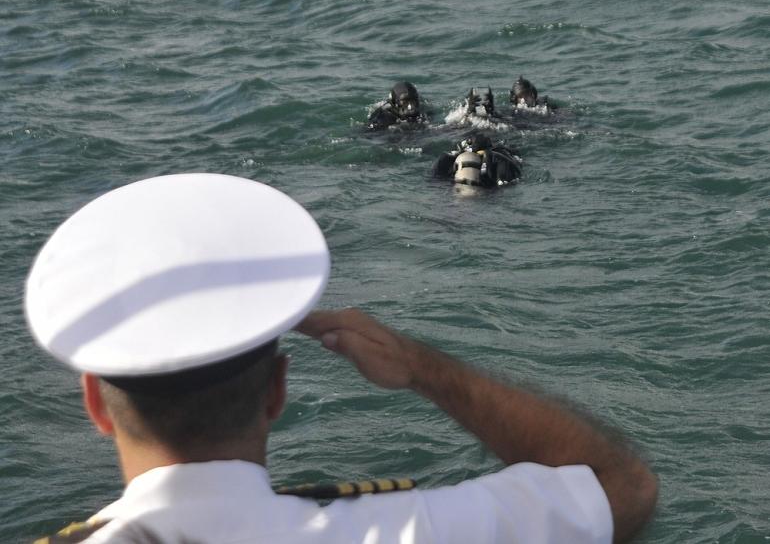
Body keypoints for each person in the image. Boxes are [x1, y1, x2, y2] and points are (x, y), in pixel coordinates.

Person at [27, 173, 657, 543]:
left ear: (95, 404)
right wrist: (423, 368)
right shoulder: (403, 530)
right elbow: (621, 486)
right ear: (277, 389)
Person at [433, 132, 523, 187]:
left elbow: (436, 176)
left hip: (457, 186)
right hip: (489, 186)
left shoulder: (453, 158)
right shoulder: (498, 156)